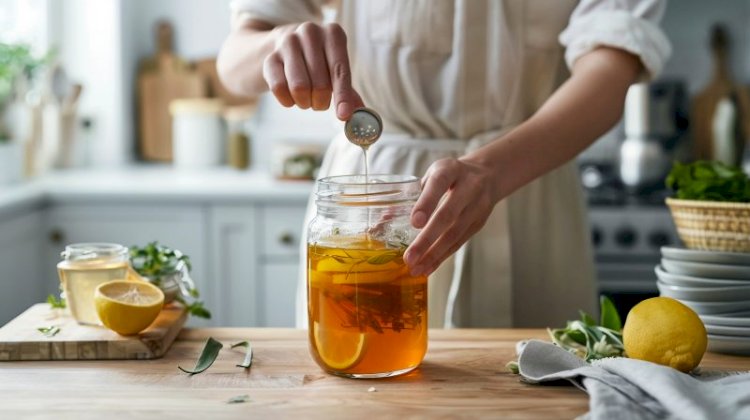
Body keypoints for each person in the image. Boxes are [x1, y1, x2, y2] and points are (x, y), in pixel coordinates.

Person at [218, 0, 671, 328]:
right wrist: (277, 45)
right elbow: (234, 60)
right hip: (370, 197)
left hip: (528, 187)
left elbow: (611, 70)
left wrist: (493, 172)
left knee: (540, 390)